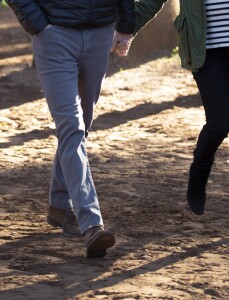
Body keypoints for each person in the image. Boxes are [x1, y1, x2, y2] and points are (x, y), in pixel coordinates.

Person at [117, 0, 229, 240]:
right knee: (219, 124)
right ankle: (199, 171)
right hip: (205, 48)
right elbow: (151, 2)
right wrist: (125, 28)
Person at [6, 0, 135, 258]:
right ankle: (91, 223)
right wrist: (38, 25)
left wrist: (126, 25)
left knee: (81, 126)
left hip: (100, 32)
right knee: (72, 126)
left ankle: (59, 206)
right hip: (54, 34)